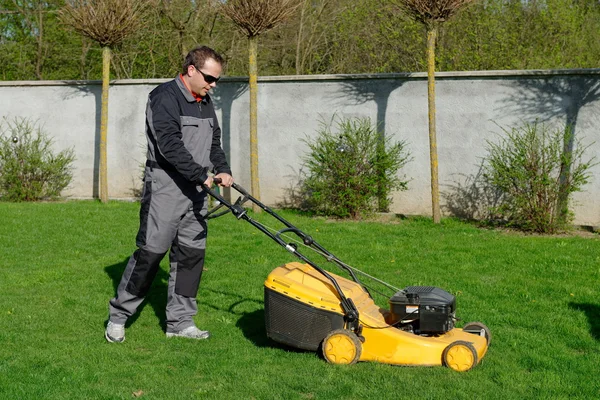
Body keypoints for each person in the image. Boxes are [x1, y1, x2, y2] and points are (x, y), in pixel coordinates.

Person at [105, 46, 234, 343]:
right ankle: (119, 316)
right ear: (192, 70)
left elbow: (214, 143)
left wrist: (222, 169)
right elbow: (169, 145)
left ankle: (180, 322)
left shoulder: (205, 101)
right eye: (210, 78)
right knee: (150, 254)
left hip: (197, 190)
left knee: (191, 257)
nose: (213, 84)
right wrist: (200, 174)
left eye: (216, 80)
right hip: (166, 187)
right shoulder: (164, 97)